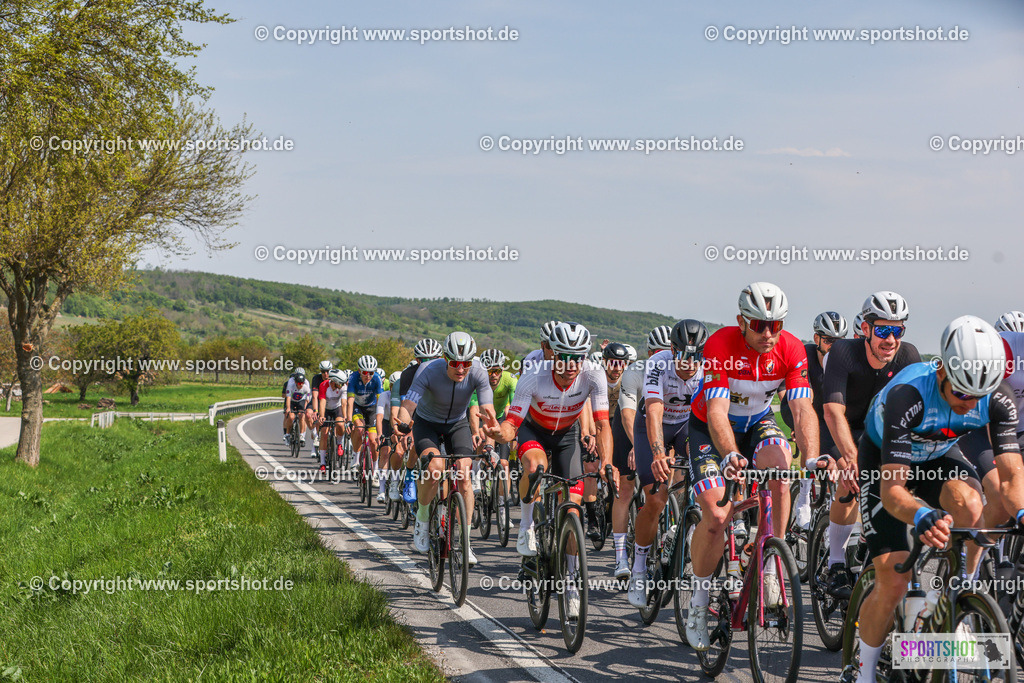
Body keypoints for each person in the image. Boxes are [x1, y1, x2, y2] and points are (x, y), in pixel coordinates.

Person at [847, 316, 1022, 683]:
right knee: (895, 577)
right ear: (941, 369)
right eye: (960, 393)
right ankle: (863, 670)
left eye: (977, 396)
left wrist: (1021, 511)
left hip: (938, 455)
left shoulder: (998, 397)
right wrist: (923, 514)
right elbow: (894, 491)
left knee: (973, 507)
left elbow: (1011, 477)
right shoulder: (907, 395)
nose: (967, 403)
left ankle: (957, 594)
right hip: (883, 459)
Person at [685, 282, 819, 651]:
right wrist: (729, 453)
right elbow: (716, 412)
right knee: (715, 515)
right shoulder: (720, 346)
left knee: (781, 470)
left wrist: (810, 457)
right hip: (712, 430)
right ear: (742, 321)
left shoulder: (791, 349)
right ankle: (698, 603)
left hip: (756, 422)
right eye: (759, 325)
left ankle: (771, 560)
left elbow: (802, 409)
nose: (768, 333)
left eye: (775, 325)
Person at [495, 322, 613, 618]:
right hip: (534, 431)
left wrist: (607, 463)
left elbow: (602, 425)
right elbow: (513, 423)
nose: (571, 364)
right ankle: (526, 527)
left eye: (578, 357)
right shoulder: (533, 376)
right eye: (564, 356)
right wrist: (500, 434)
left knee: (572, 509)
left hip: (567, 436)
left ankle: (571, 583)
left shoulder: (593, 375)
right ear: (552, 353)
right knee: (535, 466)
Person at [821, 291, 919, 598]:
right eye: (883, 330)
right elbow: (832, 410)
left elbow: (913, 417)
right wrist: (849, 458)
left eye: (897, 330)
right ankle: (835, 561)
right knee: (848, 481)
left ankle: (868, 537)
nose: (890, 339)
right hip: (842, 427)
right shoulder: (843, 352)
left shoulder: (908, 357)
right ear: (866, 329)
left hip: (878, 431)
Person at [395, 332, 499, 566]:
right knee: (434, 467)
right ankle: (422, 520)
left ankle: (465, 541)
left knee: (464, 471)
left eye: (466, 364)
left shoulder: (479, 371)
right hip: (427, 423)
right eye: (455, 363)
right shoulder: (429, 370)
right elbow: (409, 404)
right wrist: (402, 422)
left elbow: (488, 411)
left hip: (457, 423)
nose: (461, 369)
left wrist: (490, 443)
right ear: (445, 358)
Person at [630, 319, 707, 607]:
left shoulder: (709, 367)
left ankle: (683, 528)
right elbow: (654, 410)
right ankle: (638, 569)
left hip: (689, 425)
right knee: (657, 498)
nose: (690, 363)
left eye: (696, 357)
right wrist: (659, 453)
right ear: (672, 350)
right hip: (655, 424)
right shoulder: (658, 364)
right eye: (683, 356)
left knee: (703, 484)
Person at [611, 326, 673, 578]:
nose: (664, 357)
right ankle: (620, 557)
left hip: (666, 426)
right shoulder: (634, 372)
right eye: (658, 352)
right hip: (633, 426)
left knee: (675, 476)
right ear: (649, 353)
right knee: (625, 487)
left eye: (669, 351)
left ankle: (673, 532)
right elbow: (627, 414)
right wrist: (637, 447)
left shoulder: (679, 371)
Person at [790, 311, 849, 530]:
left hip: (832, 417)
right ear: (817, 340)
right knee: (810, 449)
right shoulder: (805, 356)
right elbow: (794, 396)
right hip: (805, 411)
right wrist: (796, 427)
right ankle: (804, 496)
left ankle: (836, 513)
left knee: (845, 465)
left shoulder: (845, 361)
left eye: (840, 342)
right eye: (828, 341)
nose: (834, 346)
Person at [283, 368, 314, 447]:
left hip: (301, 400)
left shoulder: (306, 386)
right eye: (299, 383)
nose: (301, 385)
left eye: (302, 383)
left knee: (302, 415)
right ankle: (287, 434)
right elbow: (288, 398)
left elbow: (307, 399)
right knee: (291, 416)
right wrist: (288, 408)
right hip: (292, 401)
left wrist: (305, 409)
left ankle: (301, 435)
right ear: (295, 382)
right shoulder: (290, 384)